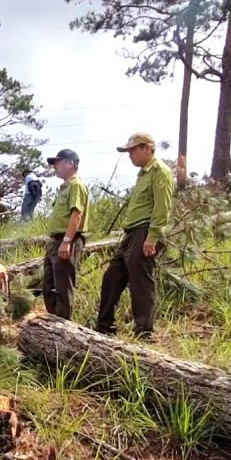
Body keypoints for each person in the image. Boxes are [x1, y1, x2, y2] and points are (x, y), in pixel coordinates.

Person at [96, 132, 174, 340]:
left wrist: (153, 236)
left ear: (147, 148)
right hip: (131, 233)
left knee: (141, 281)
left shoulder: (160, 172)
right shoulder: (143, 174)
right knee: (112, 276)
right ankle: (104, 326)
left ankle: (144, 331)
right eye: (128, 151)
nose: (130, 155)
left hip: (145, 231)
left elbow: (162, 207)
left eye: (133, 150)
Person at [43, 149, 89, 320]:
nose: (55, 166)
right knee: (49, 285)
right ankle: (52, 324)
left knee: (63, 286)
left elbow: (77, 215)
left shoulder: (76, 185)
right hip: (56, 241)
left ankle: (63, 327)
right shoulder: (65, 188)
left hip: (67, 239)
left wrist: (67, 241)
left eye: (58, 162)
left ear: (71, 163)